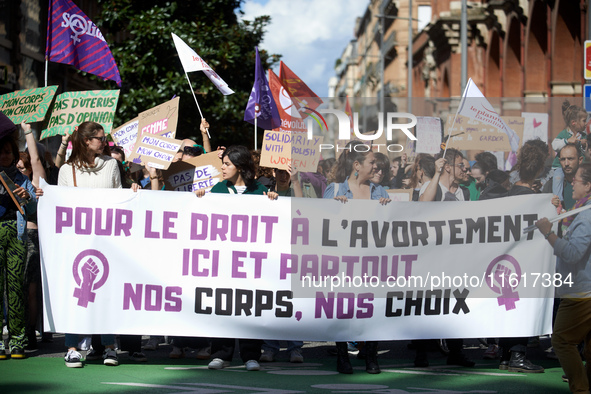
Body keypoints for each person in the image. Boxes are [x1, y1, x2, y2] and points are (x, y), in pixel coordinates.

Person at [58, 121, 137, 368]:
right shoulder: (66, 170)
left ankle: (110, 347)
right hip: (76, 242)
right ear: (86, 141)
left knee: (106, 294)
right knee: (76, 295)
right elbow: (62, 206)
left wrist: (131, 191)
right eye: (100, 138)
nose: (105, 142)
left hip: (106, 241)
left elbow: (118, 200)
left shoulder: (111, 165)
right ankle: (71, 347)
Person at [195, 145, 277, 371]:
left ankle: (251, 356)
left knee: (250, 307)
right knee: (222, 306)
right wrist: (201, 199)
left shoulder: (260, 190)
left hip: (251, 263)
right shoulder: (218, 189)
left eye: (227, 164)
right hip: (224, 262)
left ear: (240, 167)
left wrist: (273, 200)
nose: (222, 167)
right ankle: (222, 354)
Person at [323, 140, 390, 375]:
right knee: (343, 307)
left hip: (372, 260)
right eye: (372, 162)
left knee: (373, 306)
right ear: (357, 165)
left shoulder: (379, 191)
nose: (376, 166)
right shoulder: (337, 189)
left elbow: (391, 225)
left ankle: (371, 355)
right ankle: (343, 356)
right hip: (344, 261)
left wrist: (388, 209)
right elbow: (322, 225)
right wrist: (334, 209)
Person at [535, 162, 591, 392]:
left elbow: (573, 252)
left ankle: (580, 388)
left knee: (561, 341)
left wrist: (548, 233)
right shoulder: (582, 210)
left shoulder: (587, 216)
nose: (571, 183)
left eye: (576, 181)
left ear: (588, 185)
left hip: (581, 293)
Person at [0, 113, 37, 359]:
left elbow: (34, 210)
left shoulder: (23, 179)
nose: (5, 156)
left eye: (9, 152)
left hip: (17, 233)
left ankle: (17, 341)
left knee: (16, 286)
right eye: (1, 152)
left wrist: (28, 197)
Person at [551, 100, 588, 199]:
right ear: (574, 123)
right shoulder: (564, 134)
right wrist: (567, 141)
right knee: (558, 177)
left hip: (579, 167)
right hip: (560, 167)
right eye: (584, 120)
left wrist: (584, 147)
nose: (586, 123)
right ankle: (558, 200)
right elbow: (554, 145)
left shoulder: (583, 136)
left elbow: (584, 154)